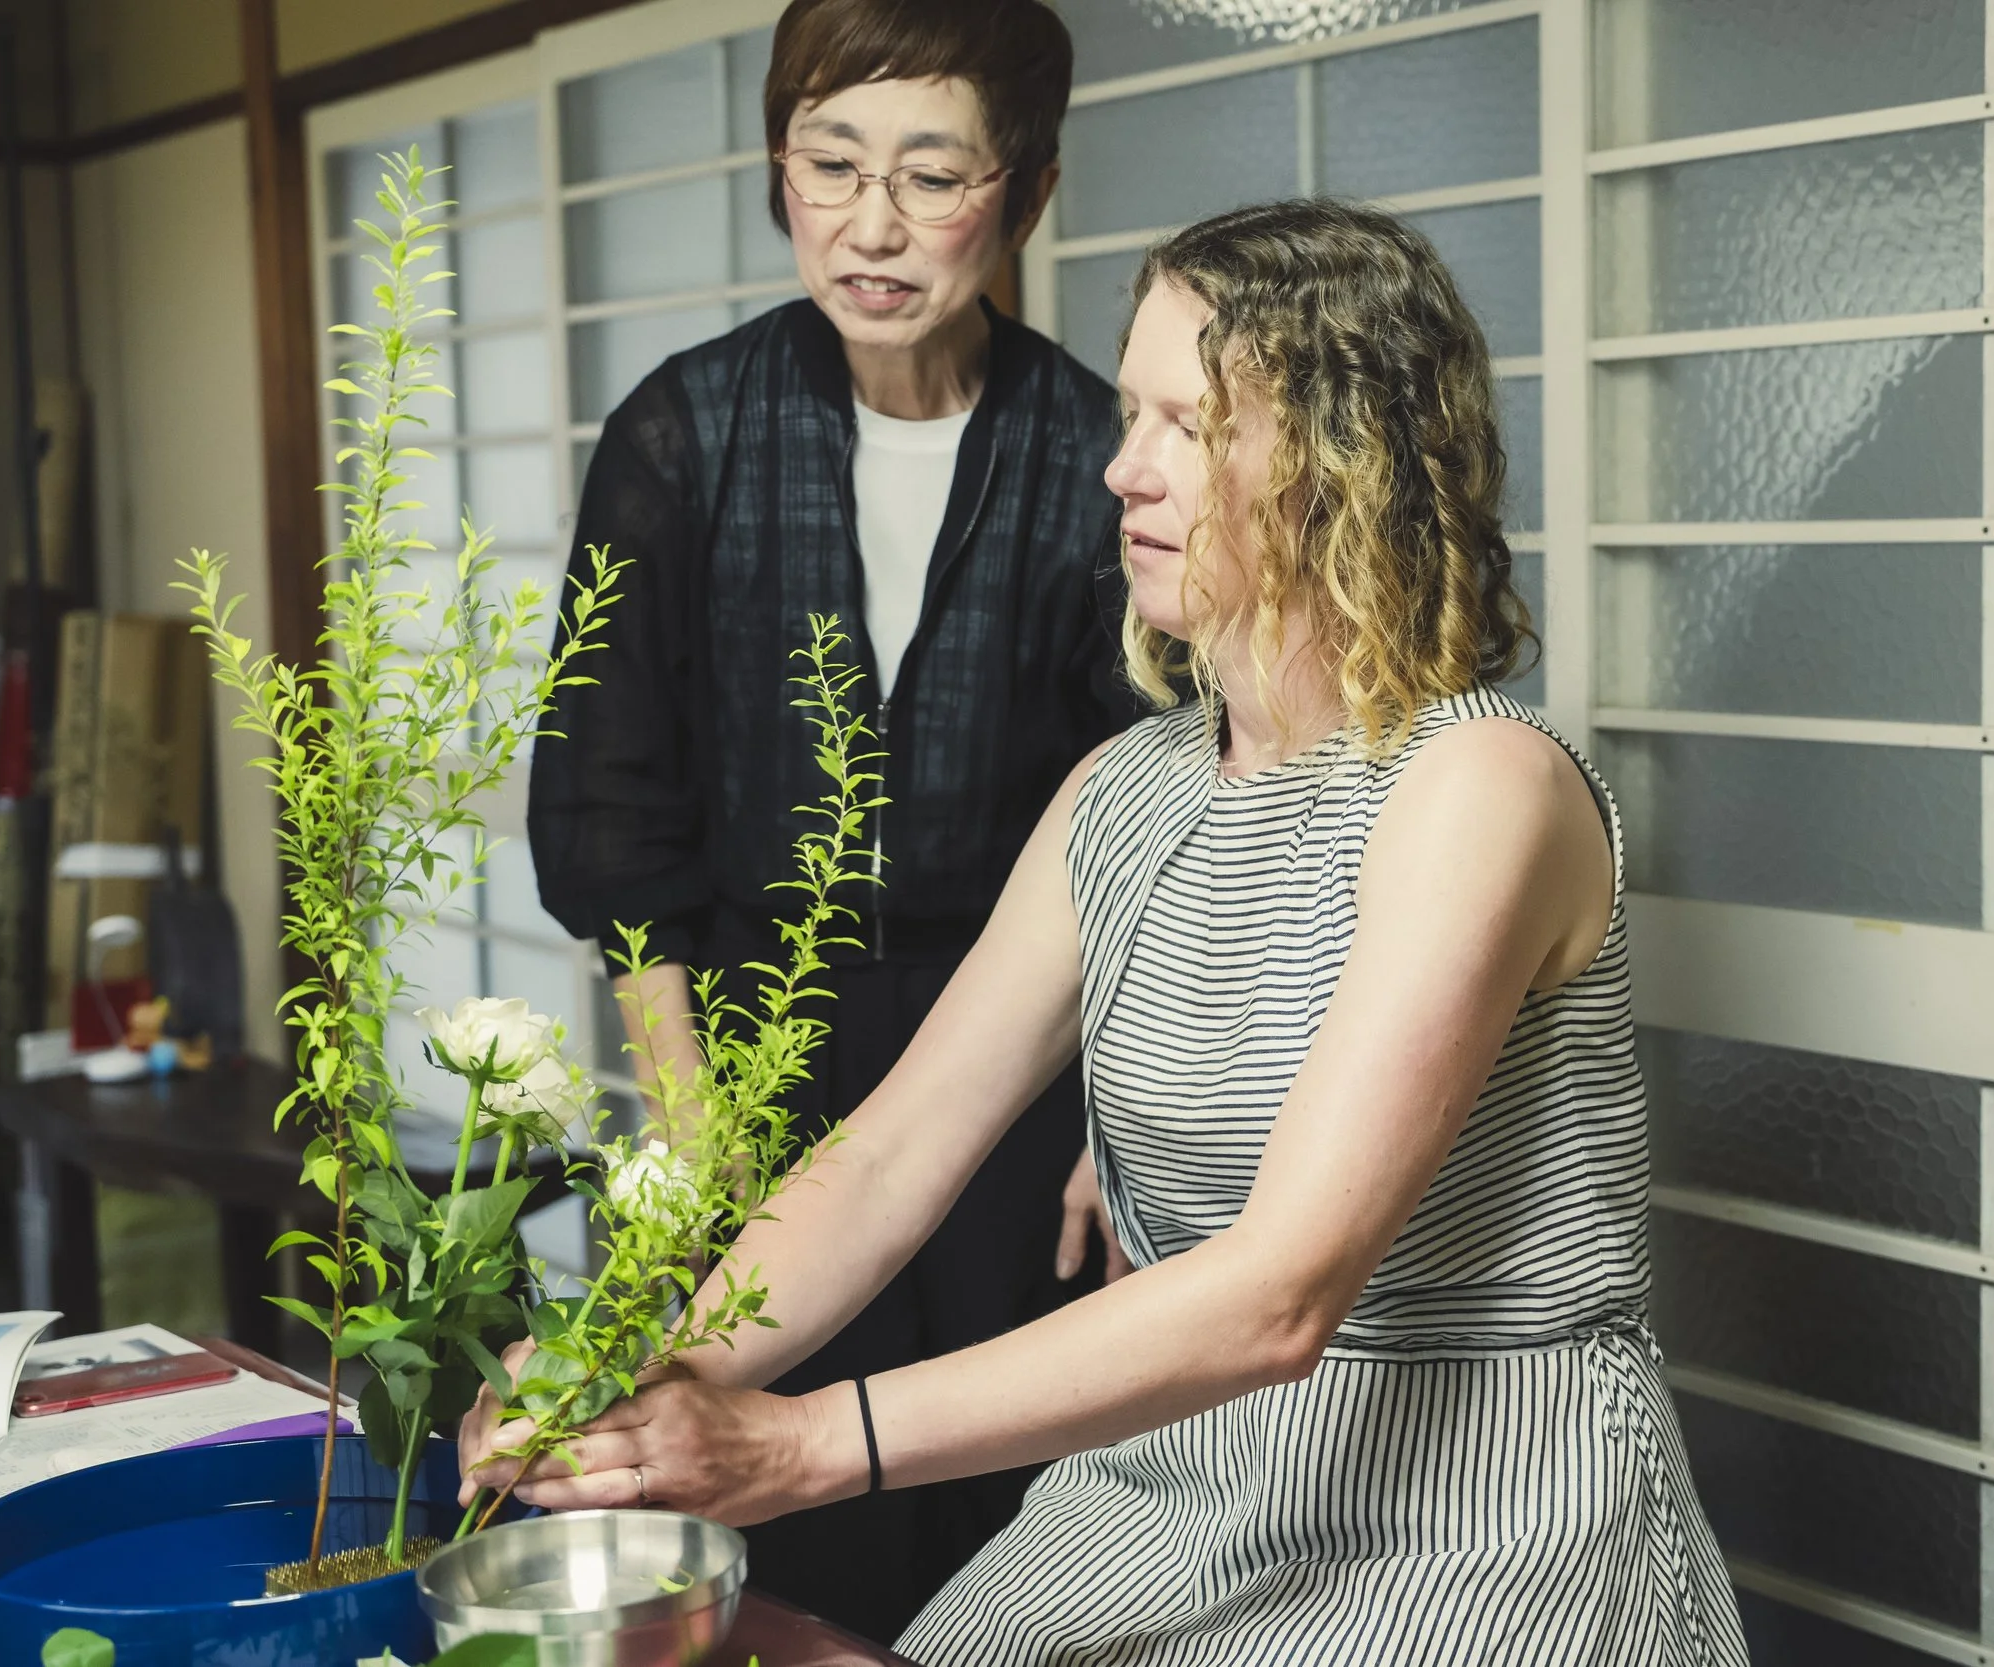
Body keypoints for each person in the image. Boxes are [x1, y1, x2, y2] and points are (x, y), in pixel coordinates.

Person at [491, 197, 1753, 1666]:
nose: (1121, 469)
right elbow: (890, 1154)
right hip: (1179, 1479)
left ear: (1347, 464)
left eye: (1187, 424)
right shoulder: (1123, 791)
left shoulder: (1478, 785)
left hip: (1481, 1509)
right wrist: (620, 1374)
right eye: (1130, 413)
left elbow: (1285, 1290)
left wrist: (801, 1446)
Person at [523, 0, 1134, 1640]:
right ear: (777, 170)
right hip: (734, 1031)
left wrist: (1113, 1123)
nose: (871, 225)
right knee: (738, 1491)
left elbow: (1162, 804)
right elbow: (609, 788)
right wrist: (688, 1120)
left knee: (1006, 1493)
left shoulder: (1099, 453)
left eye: (931, 176)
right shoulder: (683, 428)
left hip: (1015, 1051)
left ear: (1026, 190)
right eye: (830, 165)